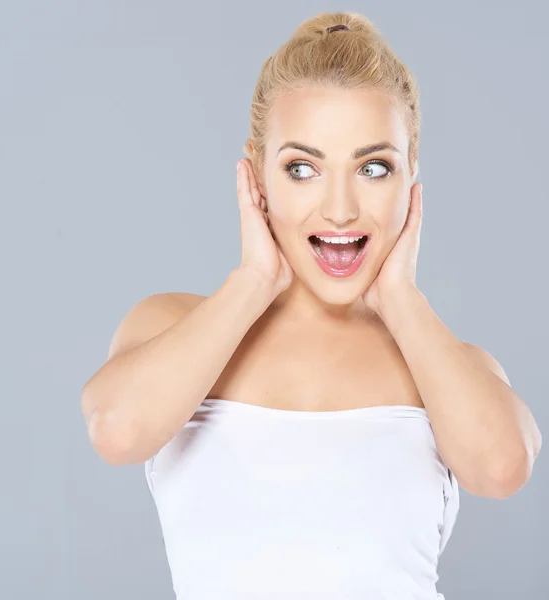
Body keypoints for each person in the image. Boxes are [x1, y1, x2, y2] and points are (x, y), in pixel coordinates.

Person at [81, 11, 542, 600]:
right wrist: (253, 280)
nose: (342, 209)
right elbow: (117, 431)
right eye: (303, 168)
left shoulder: (444, 362)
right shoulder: (172, 325)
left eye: (374, 168)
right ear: (257, 178)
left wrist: (400, 298)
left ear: (410, 175)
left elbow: (502, 468)